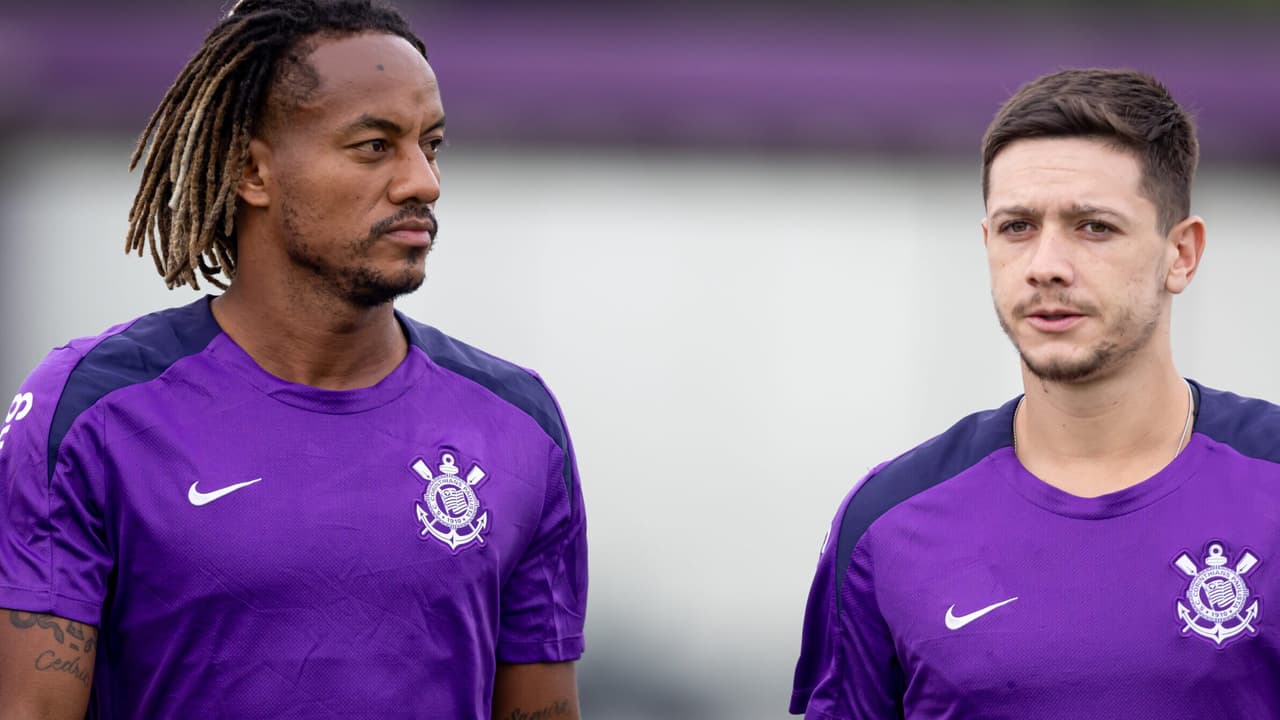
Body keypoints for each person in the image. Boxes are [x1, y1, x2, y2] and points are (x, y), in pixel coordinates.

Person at [0, 1, 587, 717]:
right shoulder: (90, 414)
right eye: (375, 146)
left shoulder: (519, 428)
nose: (423, 182)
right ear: (253, 171)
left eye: (430, 145)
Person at [790, 68, 1280, 718]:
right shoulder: (888, 523)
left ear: (1181, 254)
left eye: (1093, 227)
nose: (1046, 265)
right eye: (1018, 227)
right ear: (988, 244)